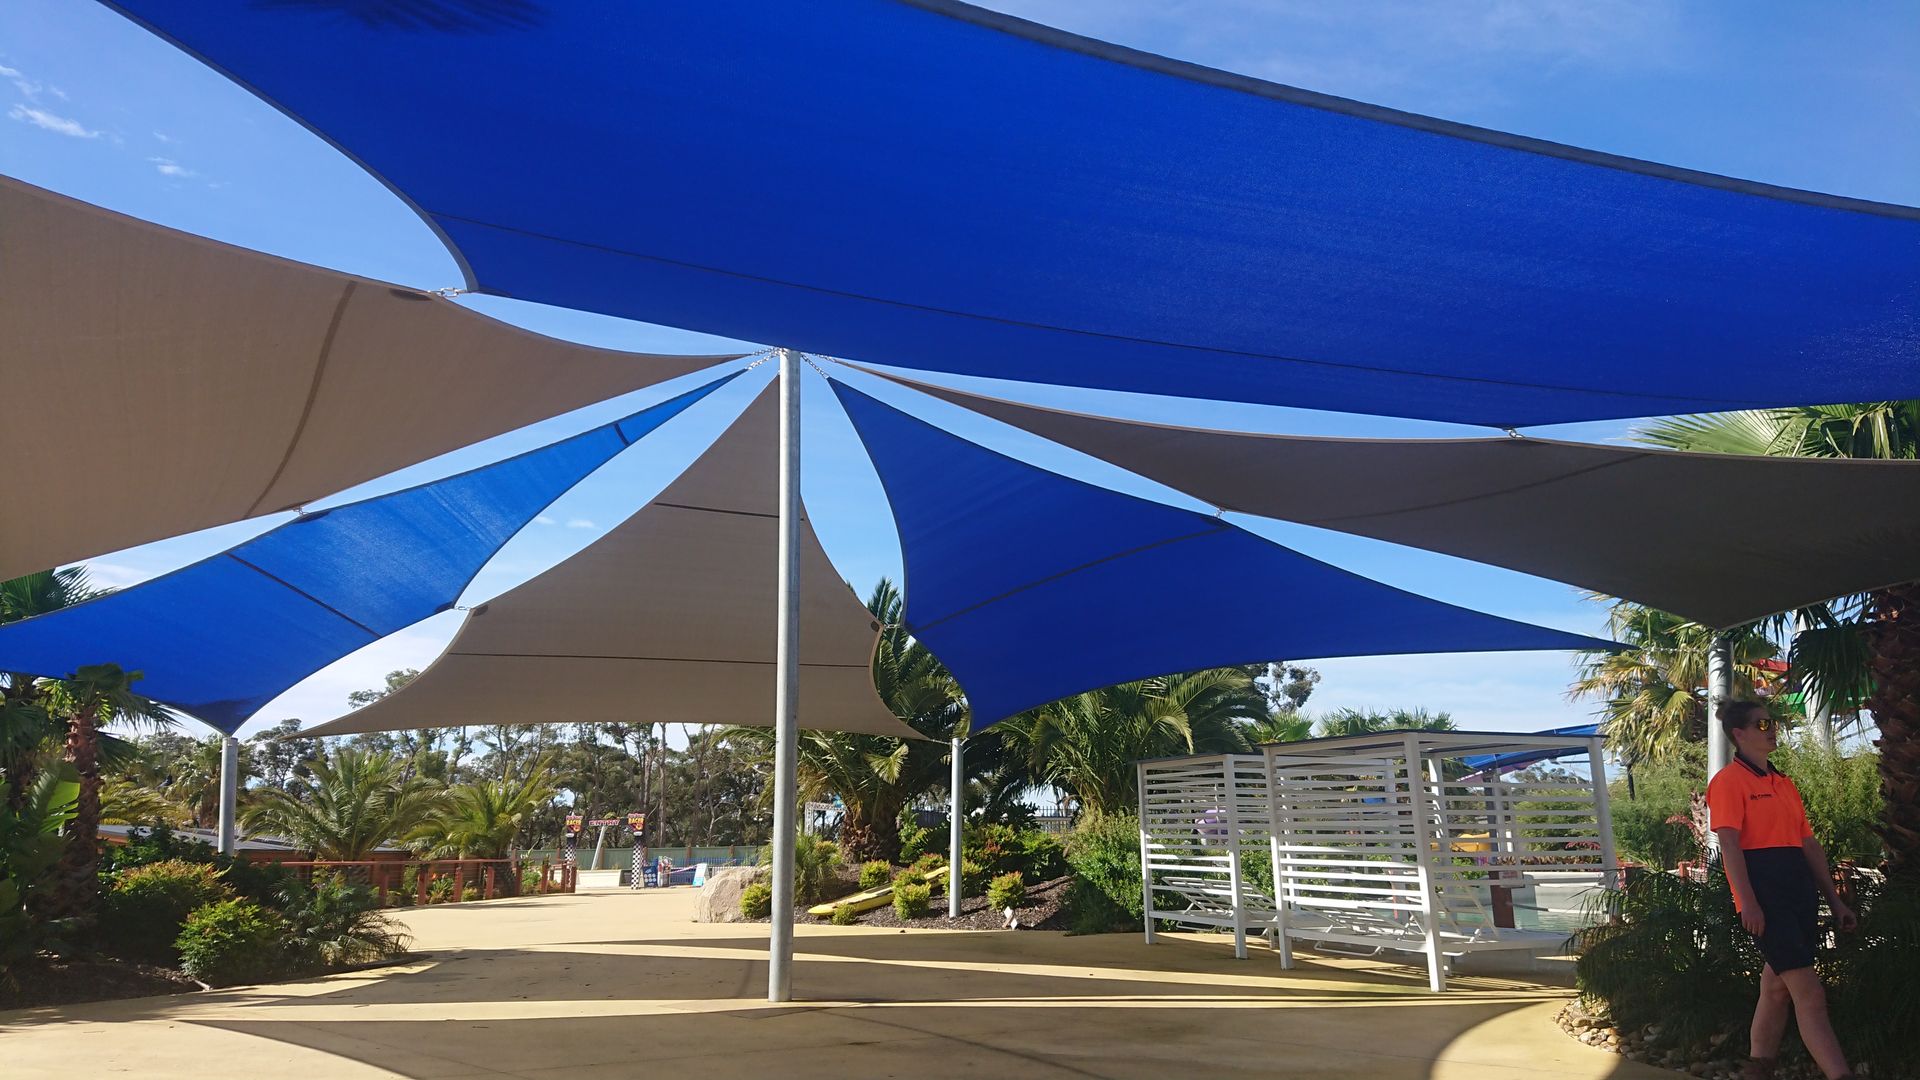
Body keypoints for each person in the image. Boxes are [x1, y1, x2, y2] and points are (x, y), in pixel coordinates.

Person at [1707, 699, 1858, 1080]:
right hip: (1765, 892)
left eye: (1770, 723)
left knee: (1776, 988)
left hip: (1798, 889)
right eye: (1760, 725)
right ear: (1738, 735)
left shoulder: (1784, 783)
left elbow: (1808, 845)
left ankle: (1759, 1068)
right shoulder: (1727, 782)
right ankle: (1841, 1075)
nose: (1770, 730)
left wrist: (1834, 900)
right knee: (1809, 993)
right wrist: (1748, 903)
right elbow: (1730, 847)